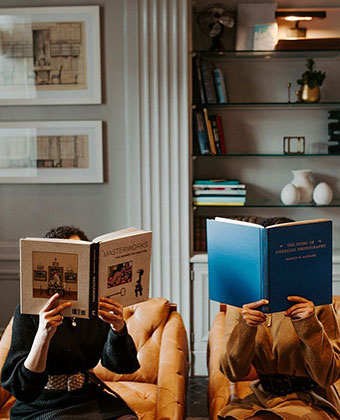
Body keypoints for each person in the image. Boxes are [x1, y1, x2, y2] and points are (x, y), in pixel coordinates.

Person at [1, 225, 139, 420]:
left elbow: (123, 366)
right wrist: (43, 335)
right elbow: (22, 390)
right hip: (41, 405)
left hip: (87, 397)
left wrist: (118, 329)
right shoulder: (27, 312)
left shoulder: (95, 309)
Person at [217, 218, 340, 420]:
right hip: (262, 397)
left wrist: (308, 325)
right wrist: (246, 326)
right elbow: (233, 372)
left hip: (310, 400)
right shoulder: (242, 303)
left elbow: (327, 376)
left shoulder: (316, 301)